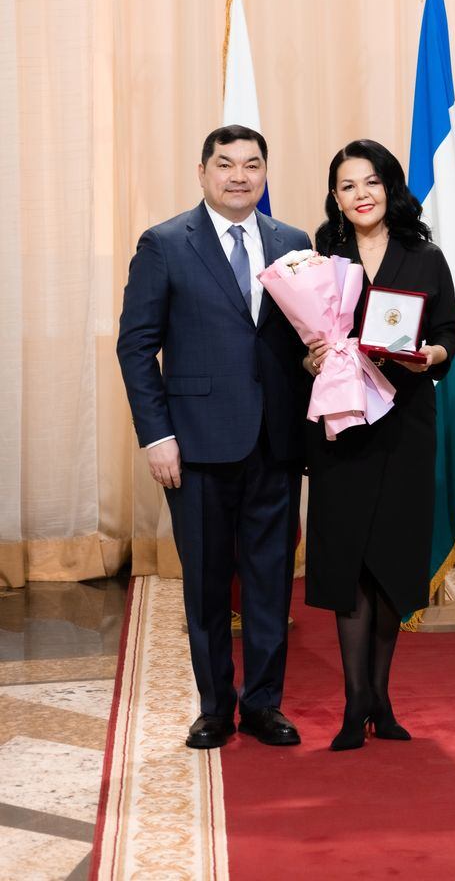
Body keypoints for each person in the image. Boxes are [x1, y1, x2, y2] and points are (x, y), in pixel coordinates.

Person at [117, 125, 310, 749]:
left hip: (275, 441)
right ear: (202, 172)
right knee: (205, 580)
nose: (239, 176)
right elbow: (136, 348)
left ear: (265, 173)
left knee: (271, 579)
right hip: (195, 443)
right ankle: (215, 707)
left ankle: (264, 705)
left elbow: (302, 339)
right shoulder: (165, 244)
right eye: (225, 164)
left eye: (252, 165)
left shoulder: (294, 244)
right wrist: (157, 436)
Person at [304, 139, 455, 751]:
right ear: (335, 198)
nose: (360, 194)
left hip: (404, 421)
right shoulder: (320, 258)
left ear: (389, 186)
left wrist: (431, 355)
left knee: (392, 557)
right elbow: (296, 342)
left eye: (371, 181)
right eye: (347, 185)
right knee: (349, 560)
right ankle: (354, 704)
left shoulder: (425, 256)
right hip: (344, 424)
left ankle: (382, 697)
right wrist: (311, 357)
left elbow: (449, 332)